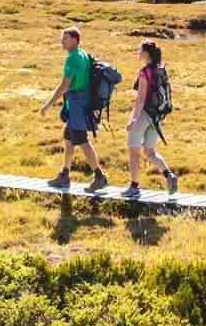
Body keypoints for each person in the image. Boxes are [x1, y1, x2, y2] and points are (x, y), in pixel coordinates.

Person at [37, 25, 107, 192]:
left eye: (65, 38)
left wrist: (48, 105)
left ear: (75, 40)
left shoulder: (72, 58)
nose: (62, 41)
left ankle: (100, 176)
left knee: (81, 140)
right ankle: (64, 174)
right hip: (82, 101)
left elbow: (64, 86)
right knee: (68, 139)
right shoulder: (83, 54)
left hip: (76, 103)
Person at [122, 39, 178, 199]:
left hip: (144, 115)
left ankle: (134, 186)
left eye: (139, 50)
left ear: (146, 54)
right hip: (157, 117)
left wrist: (133, 119)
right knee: (150, 152)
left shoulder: (144, 72)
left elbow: (140, 99)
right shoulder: (161, 68)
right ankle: (169, 175)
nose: (138, 52)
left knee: (134, 151)